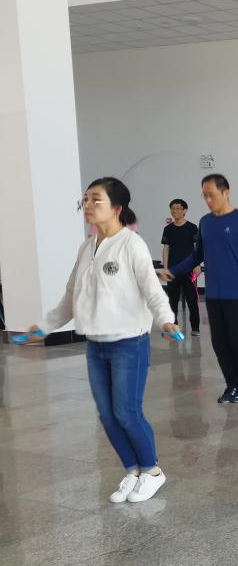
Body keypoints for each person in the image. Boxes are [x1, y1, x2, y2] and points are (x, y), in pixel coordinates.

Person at [24, 177, 179, 503]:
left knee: (127, 412)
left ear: (117, 208)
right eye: (86, 199)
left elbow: (152, 290)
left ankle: (152, 471)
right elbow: (71, 297)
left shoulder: (131, 244)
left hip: (128, 344)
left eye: (96, 200)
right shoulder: (87, 248)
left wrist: (166, 320)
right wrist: (45, 326)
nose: (88, 206)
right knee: (107, 415)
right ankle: (132, 470)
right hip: (96, 346)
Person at [162, 174, 238, 403]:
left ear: (226, 193)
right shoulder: (205, 222)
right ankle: (232, 386)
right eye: (204, 196)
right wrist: (174, 270)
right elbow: (197, 255)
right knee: (219, 343)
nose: (208, 200)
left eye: (212, 195)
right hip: (214, 294)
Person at [161, 198, 201, 336]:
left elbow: (197, 248)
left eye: (178, 208)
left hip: (189, 270)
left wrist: (197, 265)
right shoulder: (168, 229)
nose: (175, 211)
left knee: (192, 299)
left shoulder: (192, 227)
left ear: (184, 211)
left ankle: (195, 327)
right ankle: (173, 325)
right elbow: (166, 248)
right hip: (173, 270)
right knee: (172, 300)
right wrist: (166, 268)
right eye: (172, 208)